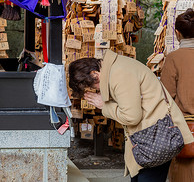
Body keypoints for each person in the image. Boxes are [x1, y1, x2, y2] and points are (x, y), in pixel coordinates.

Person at [68, 50, 194, 182]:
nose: (98, 90)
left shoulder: (119, 74)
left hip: (154, 139)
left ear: (95, 74)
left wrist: (104, 106)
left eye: (94, 86)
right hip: (150, 137)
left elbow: (131, 116)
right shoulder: (116, 68)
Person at [160, 8, 194, 182]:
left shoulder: (174, 58)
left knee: (184, 174)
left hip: (186, 131)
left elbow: (165, 97)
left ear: (178, 33)